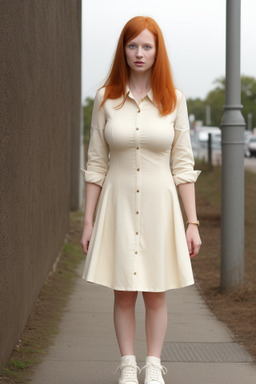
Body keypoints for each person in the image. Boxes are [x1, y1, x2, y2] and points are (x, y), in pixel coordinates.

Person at [81, 16, 202, 384]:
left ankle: (153, 366)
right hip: (117, 206)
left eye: (147, 46)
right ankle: (128, 366)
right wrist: (88, 221)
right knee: (122, 292)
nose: (139, 53)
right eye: (132, 45)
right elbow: (96, 164)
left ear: (157, 51)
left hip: (159, 208)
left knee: (154, 293)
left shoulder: (174, 100)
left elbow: (183, 164)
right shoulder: (105, 98)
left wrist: (192, 222)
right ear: (123, 50)